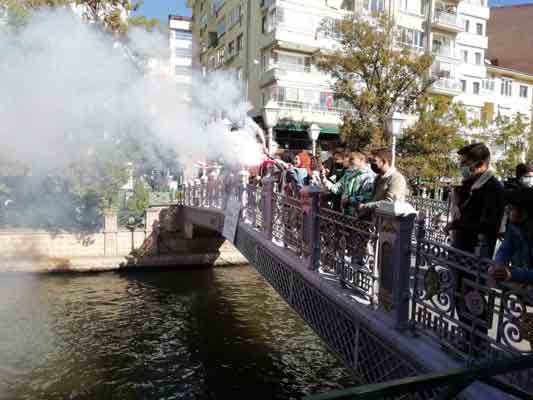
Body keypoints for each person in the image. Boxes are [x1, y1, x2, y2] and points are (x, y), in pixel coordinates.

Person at [445, 143, 505, 256]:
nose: (461, 167)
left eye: (465, 163)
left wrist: (456, 225)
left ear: (480, 164)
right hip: (460, 248)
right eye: (460, 163)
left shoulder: (494, 188)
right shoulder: (469, 184)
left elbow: (487, 225)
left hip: (476, 253)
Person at [323, 151, 375, 216]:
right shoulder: (348, 174)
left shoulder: (370, 175)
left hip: (360, 216)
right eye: (349, 159)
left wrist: (349, 200)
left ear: (361, 160)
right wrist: (324, 180)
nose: (349, 161)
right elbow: (337, 189)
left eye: (352, 159)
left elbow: (368, 197)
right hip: (346, 214)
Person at [358, 148, 408, 212]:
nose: (372, 163)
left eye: (374, 161)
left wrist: (366, 206)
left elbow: (390, 203)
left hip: (388, 217)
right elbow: (373, 198)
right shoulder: (378, 177)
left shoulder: (396, 178)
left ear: (384, 161)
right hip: (375, 216)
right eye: (371, 161)